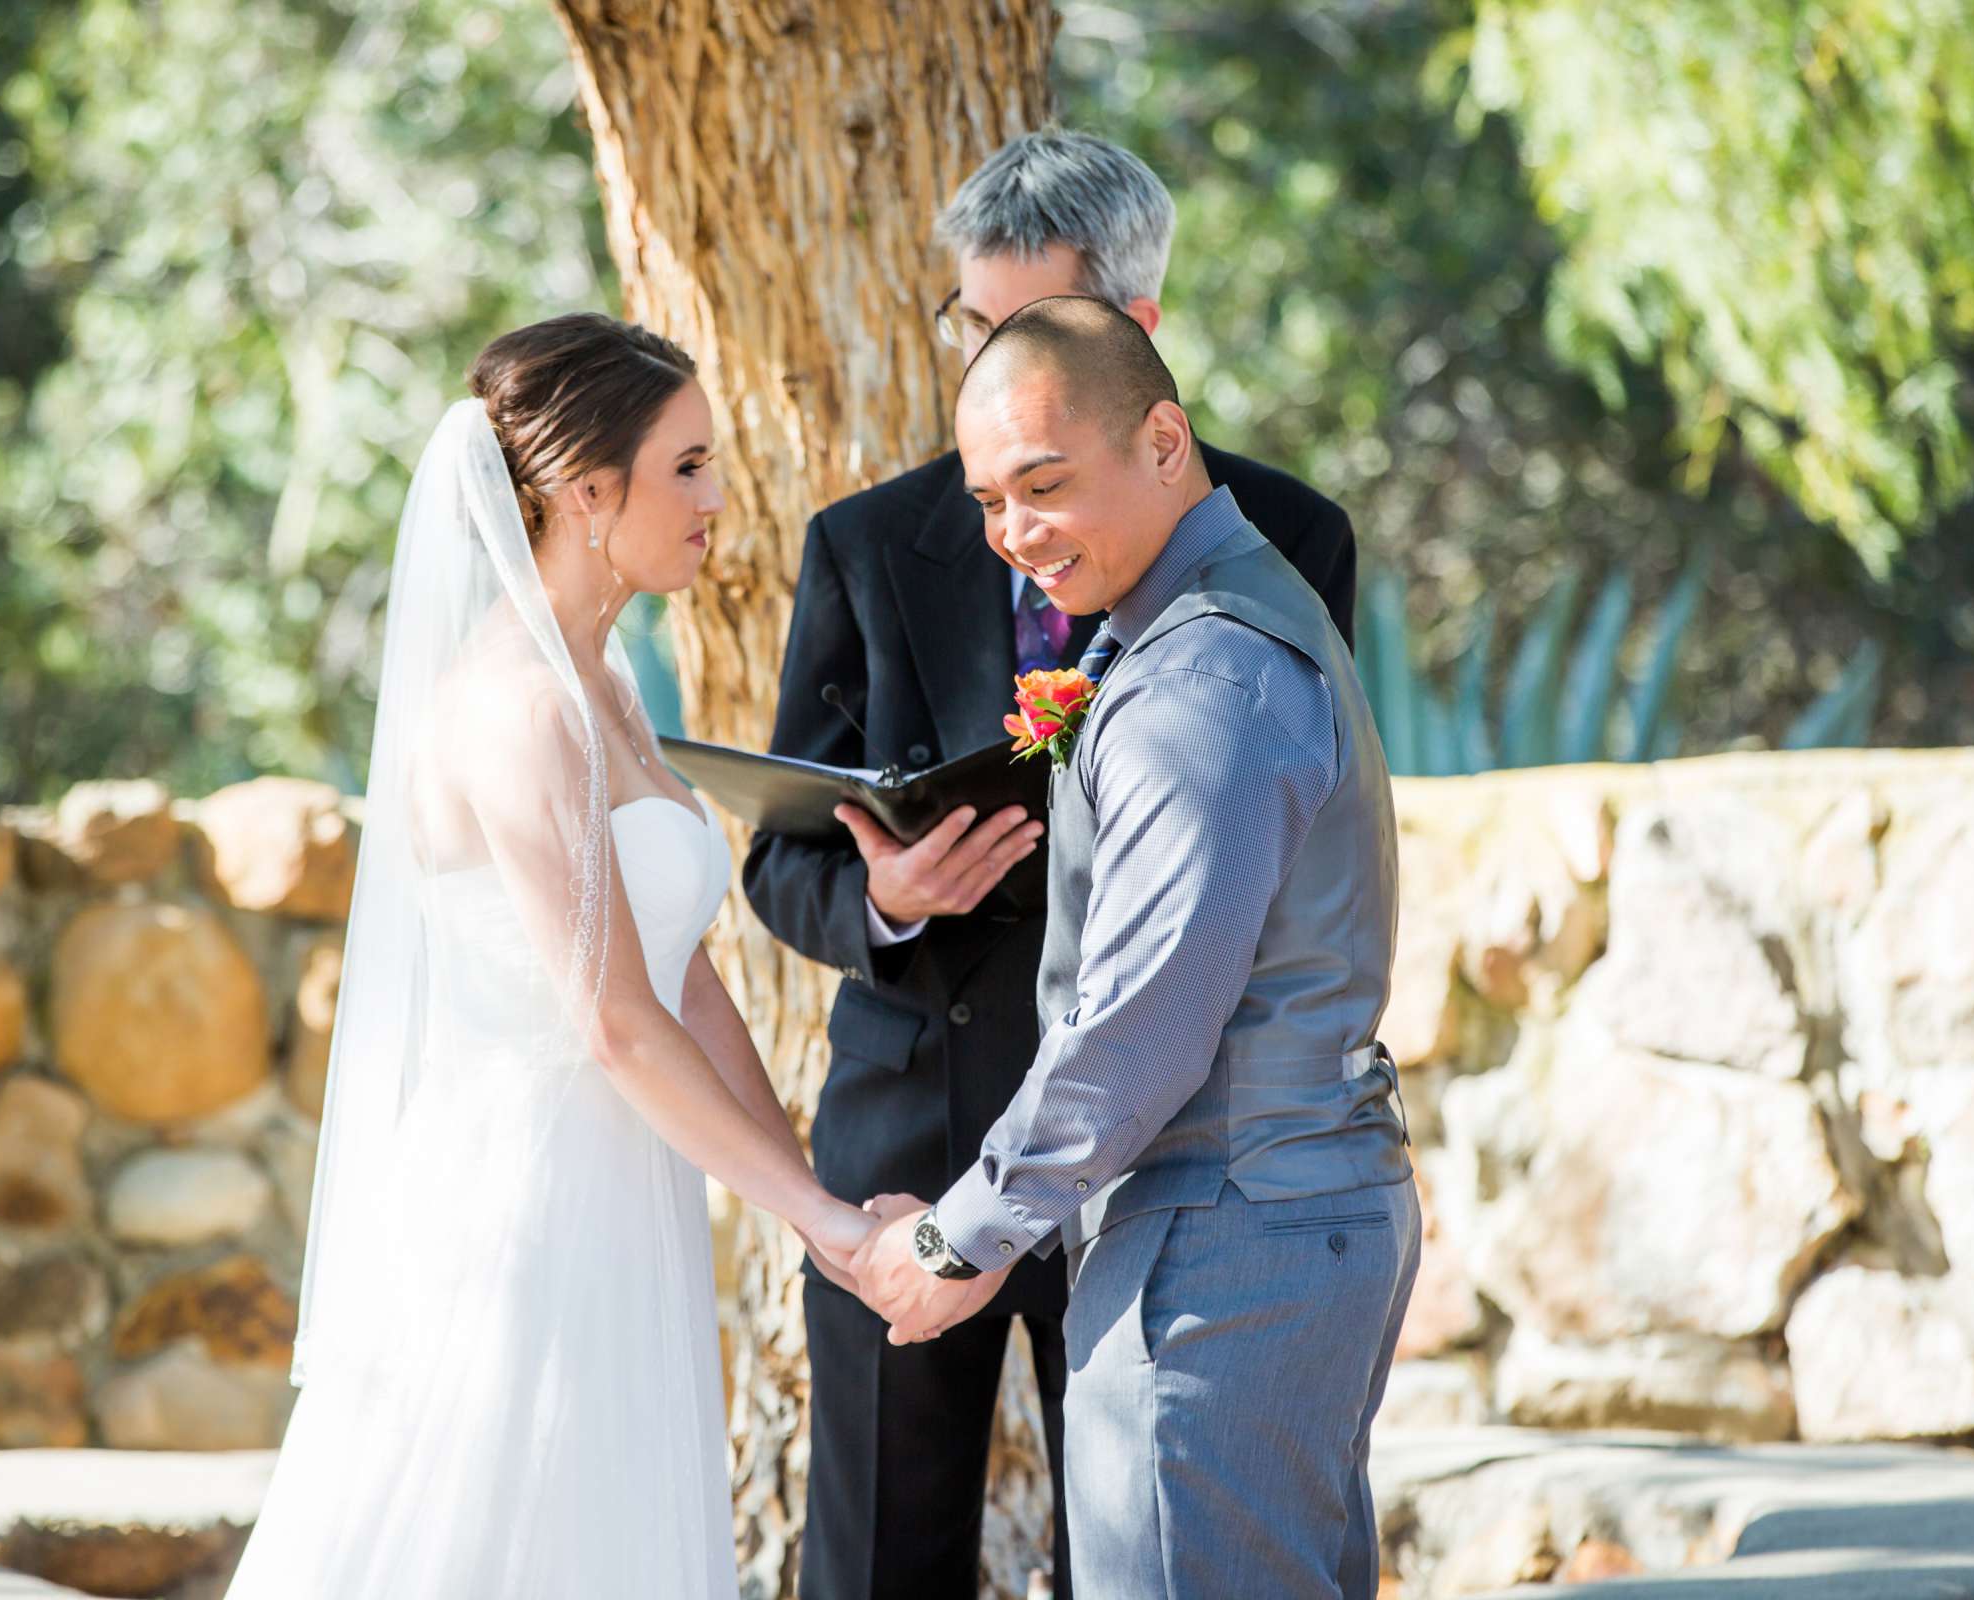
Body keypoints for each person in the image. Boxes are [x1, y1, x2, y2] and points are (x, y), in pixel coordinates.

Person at [740, 129, 1358, 1600]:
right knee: (879, 1554)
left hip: (1153, 1133)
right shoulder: (869, 543)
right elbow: (778, 866)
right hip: (912, 1133)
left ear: (1132, 334)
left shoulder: (1282, 540)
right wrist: (886, 901)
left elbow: (1258, 832)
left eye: (1019, 326)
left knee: (1137, 1549)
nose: (980, 360)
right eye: (968, 323)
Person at [226, 315, 875, 1599]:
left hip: (629, 1193)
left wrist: (814, 1210)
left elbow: (688, 979)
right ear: (586, 492)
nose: (717, 497)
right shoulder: (517, 708)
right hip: (523, 1220)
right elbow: (617, 1021)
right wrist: (828, 1224)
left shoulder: (610, 684)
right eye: (685, 466)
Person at [852, 296, 1421, 1600]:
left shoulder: (1201, 680)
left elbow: (1143, 1021)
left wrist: (960, 1240)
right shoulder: (1208, 626)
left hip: (1226, 1244)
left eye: (1043, 485)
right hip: (1268, 1226)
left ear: (1165, 440)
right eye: (992, 501)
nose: (1013, 537)